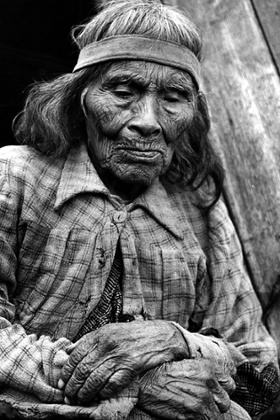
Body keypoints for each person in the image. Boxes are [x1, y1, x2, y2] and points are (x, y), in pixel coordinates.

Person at [0, 1, 279, 419]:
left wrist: (176, 339)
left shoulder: (198, 207)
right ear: (81, 99)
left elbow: (258, 363)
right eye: (124, 92)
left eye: (173, 97)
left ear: (193, 112)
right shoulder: (15, 177)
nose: (147, 121)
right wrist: (136, 383)